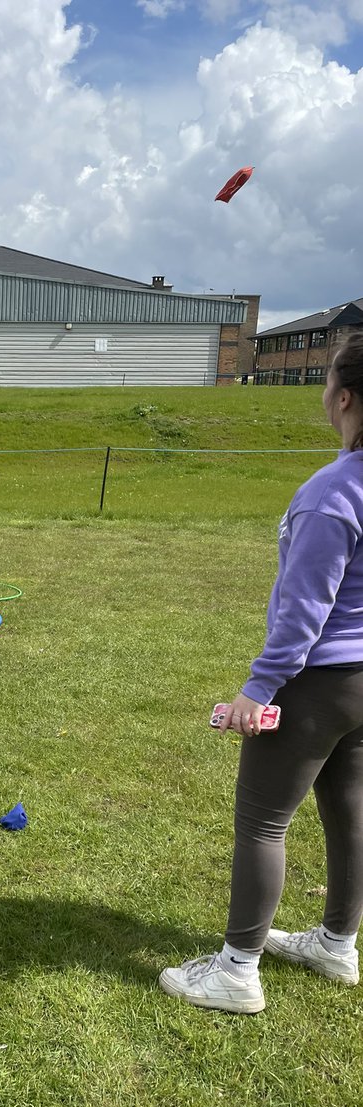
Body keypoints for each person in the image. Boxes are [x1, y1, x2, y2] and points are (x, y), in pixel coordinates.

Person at [160, 332, 363, 1013]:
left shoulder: (332, 494)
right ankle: (337, 945)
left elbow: (306, 612)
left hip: (322, 682)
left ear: (342, 397)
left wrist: (259, 688)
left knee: (262, 822)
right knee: (350, 813)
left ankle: (237, 971)